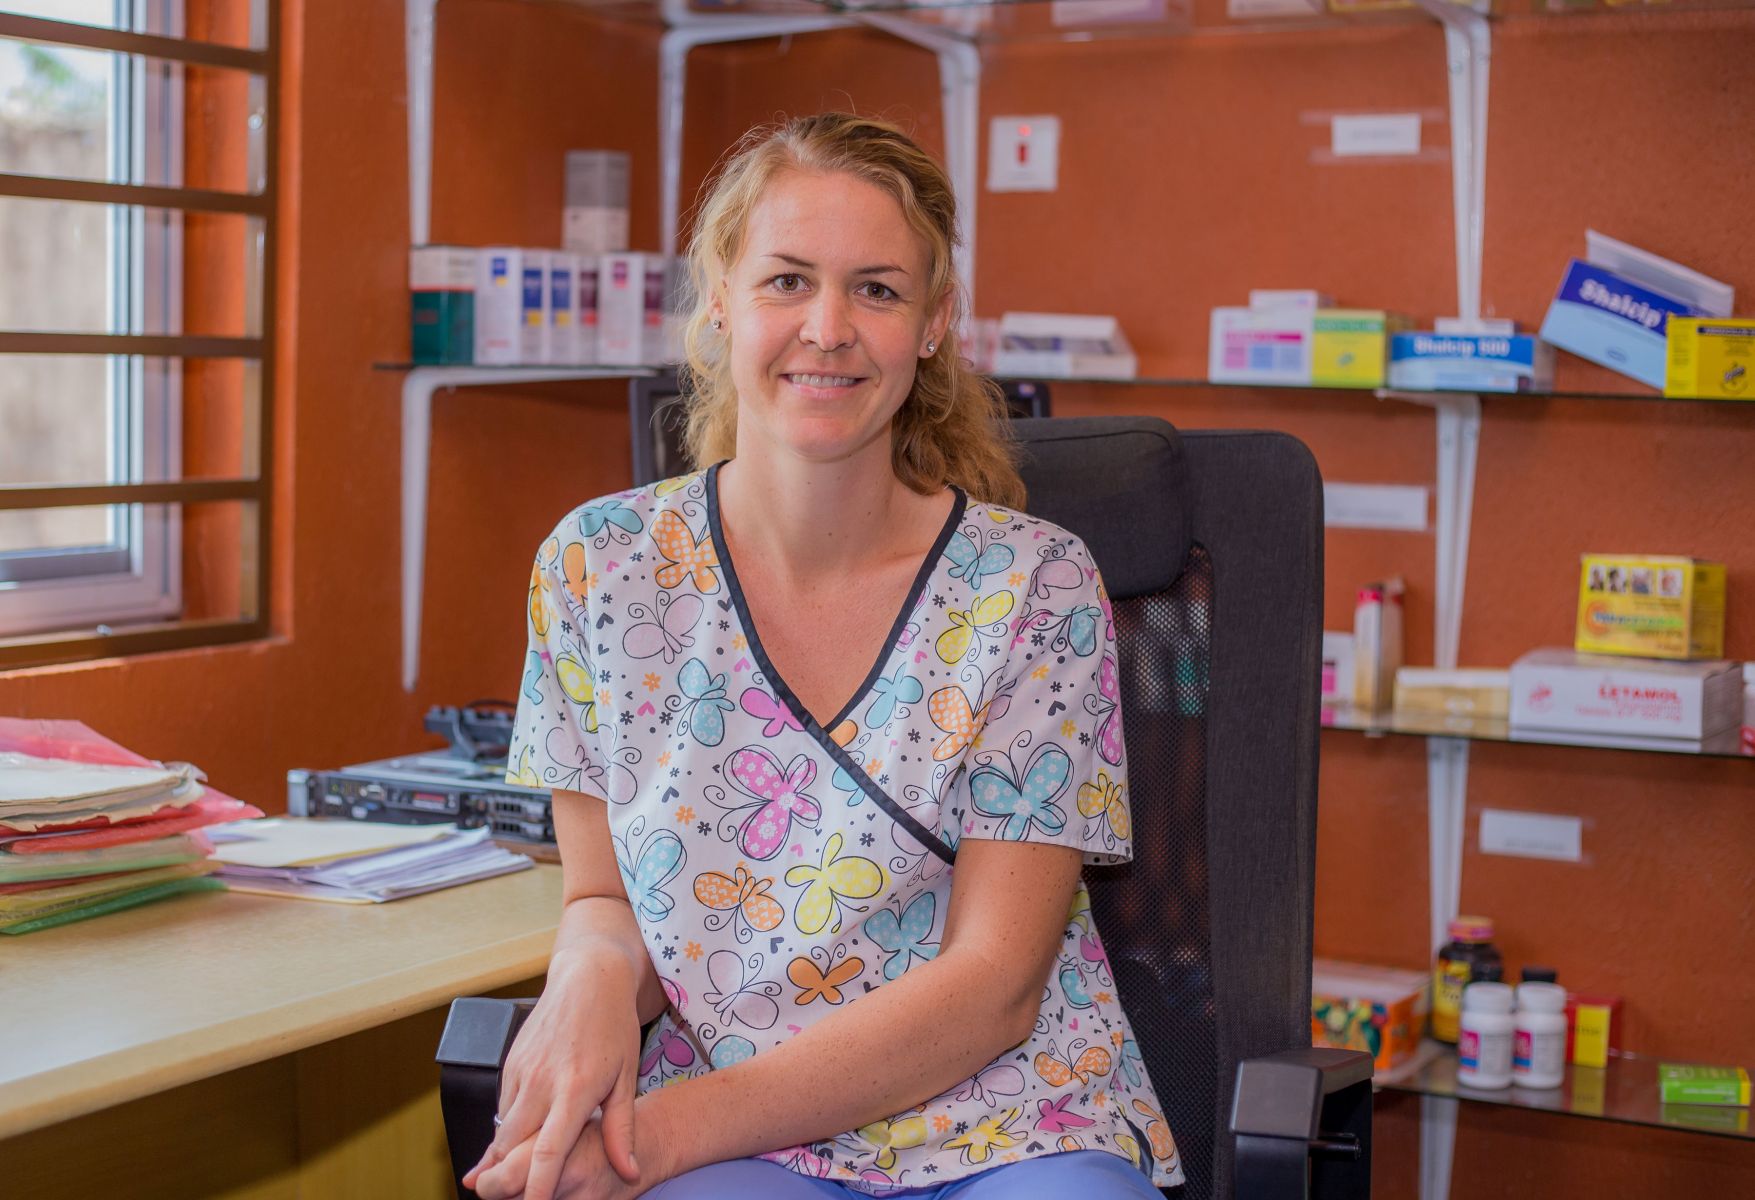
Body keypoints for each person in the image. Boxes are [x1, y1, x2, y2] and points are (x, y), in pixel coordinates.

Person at [467, 113, 1182, 1200]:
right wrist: (588, 976)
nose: (828, 327)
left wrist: (659, 1138)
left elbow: (994, 987)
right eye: (788, 280)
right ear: (719, 297)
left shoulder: (1031, 584)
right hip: (740, 1123)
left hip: (1008, 1119)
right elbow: (605, 899)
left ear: (934, 324)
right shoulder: (598, 567)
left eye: (877, 290)